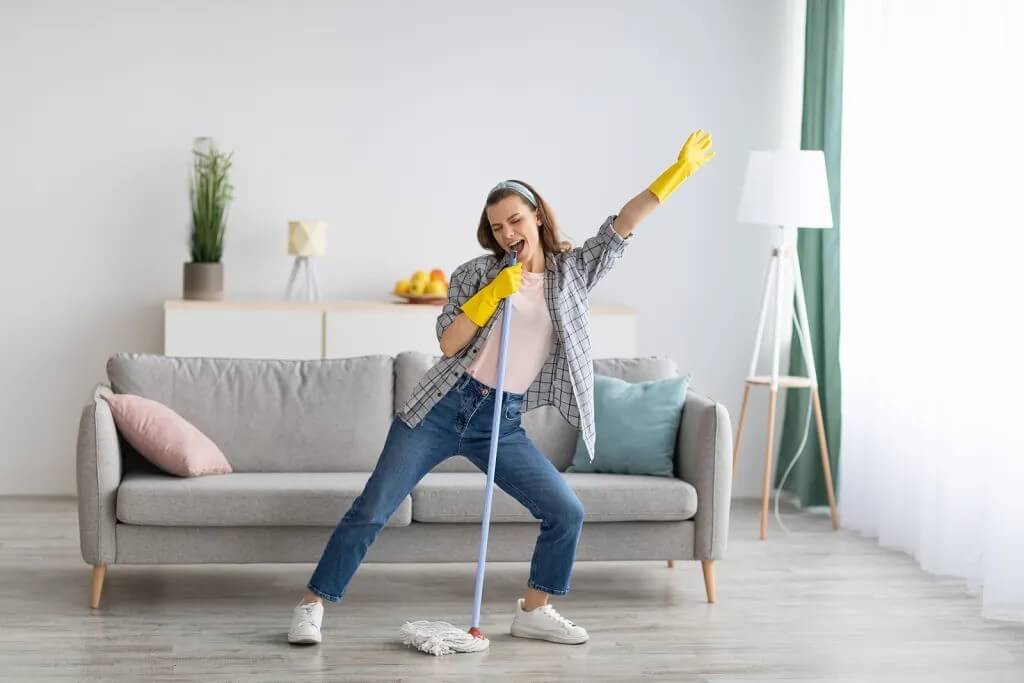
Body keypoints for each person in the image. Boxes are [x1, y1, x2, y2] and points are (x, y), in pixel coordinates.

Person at [288, 129, 716, 646]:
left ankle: (534, 611)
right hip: (441, 408)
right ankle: (313, 605)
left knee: (565, 511)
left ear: (537, 216)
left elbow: (623, 224)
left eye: (516, 219)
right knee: (373, 509)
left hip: (502, 420)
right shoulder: (475, 274)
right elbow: (449, 344)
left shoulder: (573, 272)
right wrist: (494, 292)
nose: (509, 232)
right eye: (497, 226)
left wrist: (677, 173)